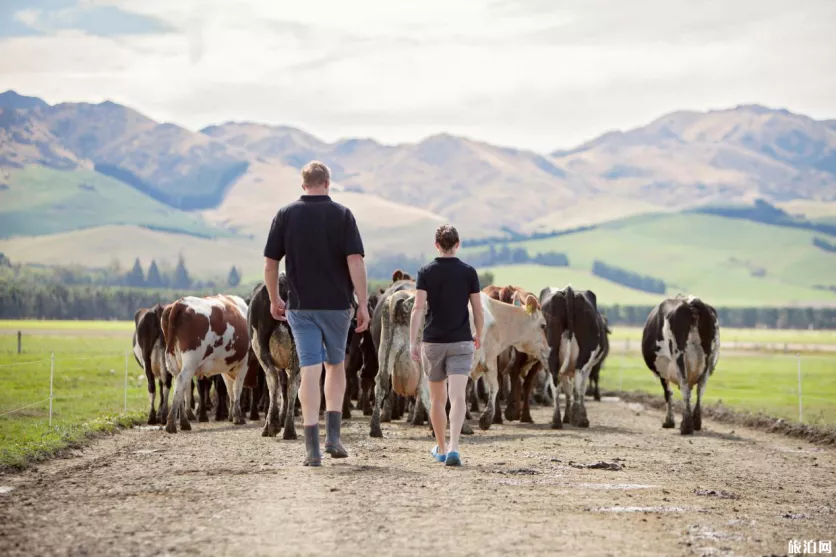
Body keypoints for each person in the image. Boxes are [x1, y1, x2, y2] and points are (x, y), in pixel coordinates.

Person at [263, 160, 370, 467]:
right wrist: (362, 303)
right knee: (335, 366)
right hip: (337, 306)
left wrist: (273, 298)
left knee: (310, 369)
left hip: (301, 307)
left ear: (303, 185)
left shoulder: (285, 214)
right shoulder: (342, 215)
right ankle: (333, 438)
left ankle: (311, 449)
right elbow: (356, 262)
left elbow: (271, 264)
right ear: (328, 183)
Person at [409, 225, 483, 467]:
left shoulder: (425, 272)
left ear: (436, 245)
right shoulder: (469, 272)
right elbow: (477, 308)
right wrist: (479, 333)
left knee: (437, 399)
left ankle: (440, 448)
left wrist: (413, 341)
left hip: (433, 343)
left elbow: (418, 309)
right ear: (457, 244)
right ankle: (454, 448)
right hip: (462, 341)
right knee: (458, 397)